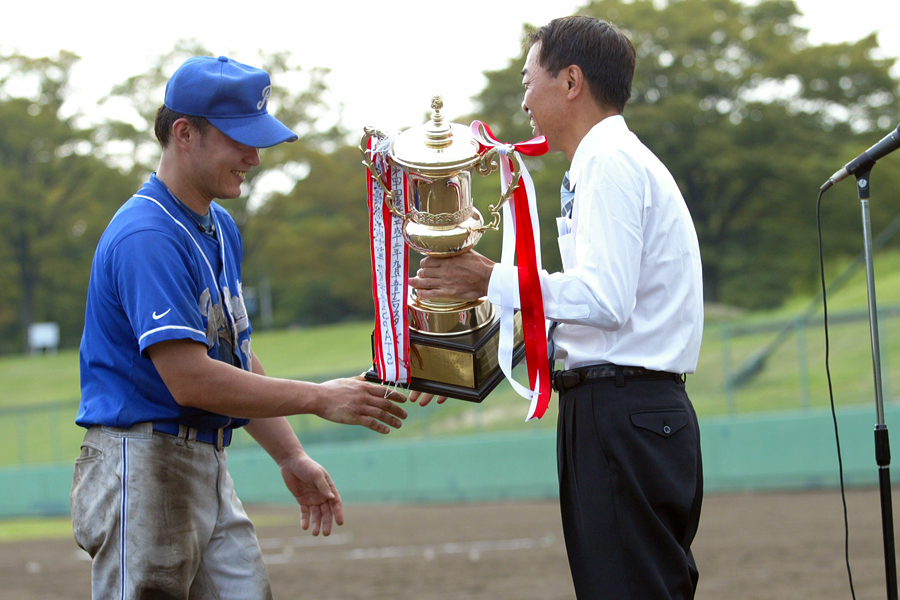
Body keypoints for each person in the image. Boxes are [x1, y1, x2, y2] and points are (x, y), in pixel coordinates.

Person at [71, 55, 408, 600]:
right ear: (185, 134)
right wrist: (319, 398)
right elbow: (191, 379)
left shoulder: (218, 224)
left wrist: (290, 455)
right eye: (238, 139)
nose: (254, 157)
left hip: (204, 458)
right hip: (142, 462)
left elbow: (232, 357)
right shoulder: (146, 234)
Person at [409, 16, 704, 600]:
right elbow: (582, 311)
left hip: (623, 412)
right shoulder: (603, 160)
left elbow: (604, 301)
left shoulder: (610, 162)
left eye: (528, 80)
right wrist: (467, 362)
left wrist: (488, 275)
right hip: (626, 411)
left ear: (571, 81)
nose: (522, 98)